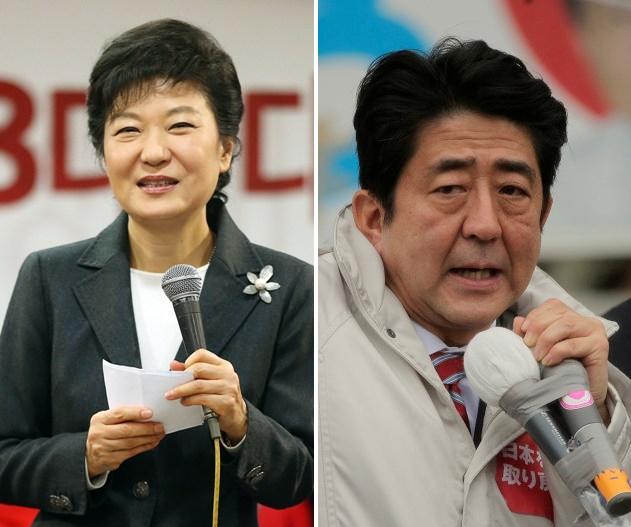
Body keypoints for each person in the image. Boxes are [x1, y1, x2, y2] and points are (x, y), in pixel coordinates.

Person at [0, 19, 313, 527]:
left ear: (226, 148)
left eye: (181, 125)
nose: (152, 152)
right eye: (127, 129)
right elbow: (5, 453)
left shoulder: (291, 286)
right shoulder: (48, 279)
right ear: (103, 155)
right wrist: (87, 456)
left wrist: (241, 423)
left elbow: (303, 476)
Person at [318, 38, 631, 526]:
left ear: (544, 213)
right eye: (450, 190)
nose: (485, 224)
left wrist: (593, 419)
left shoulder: (582, 368)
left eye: (511, 191)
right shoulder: (304, 328)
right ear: (375, 217)